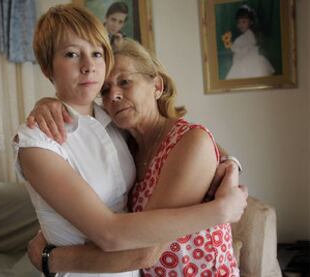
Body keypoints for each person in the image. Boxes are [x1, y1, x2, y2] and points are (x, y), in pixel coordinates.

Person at [14, 4, 247, 276]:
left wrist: (231, 164)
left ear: (157, 86)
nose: (89, 66)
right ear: (47, 68)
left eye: (125, 82)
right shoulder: (54, 138)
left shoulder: (130, 129)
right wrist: (45, 103)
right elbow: (111, 234)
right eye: (71, 54)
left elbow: (198, 141)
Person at [225, 4, 274, 80]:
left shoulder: (250, 35)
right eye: (239, 22)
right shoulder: (242, 37)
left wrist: (232, 46)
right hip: (242, 61)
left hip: (249, 62)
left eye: (244, 22)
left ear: (251, 22)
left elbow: (244, 51)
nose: (240, 25)